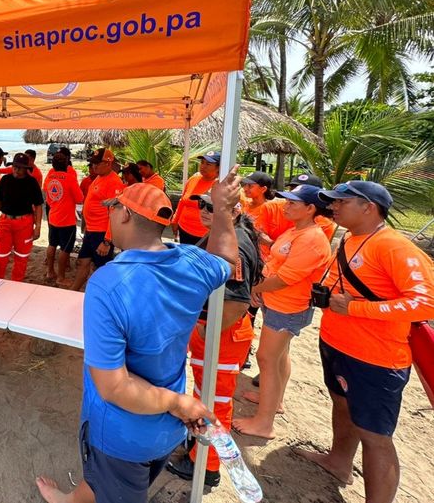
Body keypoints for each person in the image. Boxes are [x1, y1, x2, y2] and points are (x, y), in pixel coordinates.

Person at [35, 167, 244, 503]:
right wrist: (222, 210)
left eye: (113, 207)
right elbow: (226, 258)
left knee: (115, 482)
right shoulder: (192, 263)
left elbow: (114, 387)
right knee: (107, 479)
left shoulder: (107, 284)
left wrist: (178, 403)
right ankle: (69, 500)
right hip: (166, 426)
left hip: (123, 432)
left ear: (126, 215)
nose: (109, 214)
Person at [296, 181, 434, 503]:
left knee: (375, 436)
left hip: (376, 358)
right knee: (342, 405)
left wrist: (357, 308)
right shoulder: (349, 238)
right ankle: (338, 462)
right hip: (337, 344)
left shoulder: (394, 247)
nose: (333, 207)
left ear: (368, 207)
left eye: (341, 202)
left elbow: (425, 303)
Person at [166, 193, 262, 487]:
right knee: (204, 395)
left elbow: (237, 302)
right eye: (202, 205)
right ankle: (198, 449)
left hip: (221, 335)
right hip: (216, 330)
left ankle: (206, 466)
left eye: (212, 206)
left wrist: (206, 332)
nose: (204, 210)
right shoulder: (228, 234)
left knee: (214, 402)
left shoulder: (235, 243)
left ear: (234, 211)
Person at [233, 185, 332, 439]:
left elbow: (284, 278)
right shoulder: (296, 230)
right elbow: (276, 264)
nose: (285, 206)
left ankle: (264, 423)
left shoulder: (311, 239)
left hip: (288, 306)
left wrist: (254, 287)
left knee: (266, 358)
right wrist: (262, 289)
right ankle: (273, 401)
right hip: (277, 301)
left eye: (292, 203)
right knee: (278, 357)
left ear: (310, 209)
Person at [68, 149, 125, 291]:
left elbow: (116, 214)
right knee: (83, 262)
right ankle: (74, 290)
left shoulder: (114, 183)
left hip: (101, 233)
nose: (94, 166)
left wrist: (107, 241)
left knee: (102, 269)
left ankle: (104, 296)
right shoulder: (99, 177)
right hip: (91, 231)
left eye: (97, 163)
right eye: (92, 163)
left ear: (108, 163)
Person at [0, 153, 44, 281]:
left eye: (20, 167)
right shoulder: (5, 180)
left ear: (26, 169)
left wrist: (38, 226)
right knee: (0, 257)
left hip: (25, 223)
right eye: (15, 166)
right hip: (5, 221)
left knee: (22, 258)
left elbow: (38, 205)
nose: (16, 170)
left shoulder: (32, 182)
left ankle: (17, 283)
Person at [43, 152, 84, 284]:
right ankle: (61, 277)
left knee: (52, 244)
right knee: (65, 248)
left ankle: (50, 271)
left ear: (53, 165)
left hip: (53, 217)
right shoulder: (70, 178)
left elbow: (48, 197)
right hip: (66, 220)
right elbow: (79, 198)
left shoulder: (49, 177)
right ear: (66, 164)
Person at [172, 151, 221, 245]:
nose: (203, 166)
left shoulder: (220, 185)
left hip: (205, 235)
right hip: (184, 229)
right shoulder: (193, 179)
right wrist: (175, 220)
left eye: (208, 164)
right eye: (202, 162)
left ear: (218, 168)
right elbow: (182, 201)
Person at [242, 171, 293, 259]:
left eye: (250, 186)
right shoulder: (244, 205)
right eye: (245, 185)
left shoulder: (276, 208)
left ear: (263, 189)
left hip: (266, 257)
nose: (245, 188)